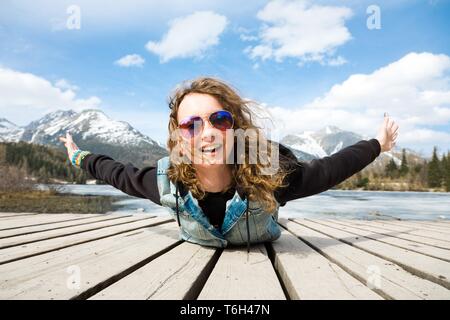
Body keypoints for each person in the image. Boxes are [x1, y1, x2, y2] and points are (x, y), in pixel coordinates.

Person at [59, 77, 399, 252]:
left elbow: (329, 168)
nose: (206, 133)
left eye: (218, 120)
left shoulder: (272, 175)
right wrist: (79, 156)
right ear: (180, 138)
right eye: (191, 125)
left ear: (234, 128)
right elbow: (117, 174)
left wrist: (377, 145)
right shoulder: (167, 182)